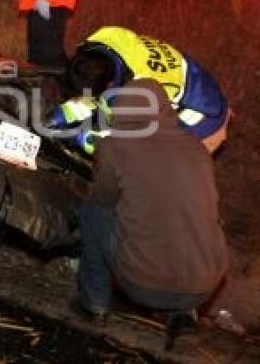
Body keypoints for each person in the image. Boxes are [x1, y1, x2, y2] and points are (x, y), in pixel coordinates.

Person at [76, 78, 229, 349]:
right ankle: (183, 317)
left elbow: (103, 199)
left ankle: (94, 305)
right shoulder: (196, 147)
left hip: (145, 284)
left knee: (94, 212)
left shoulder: (113, 147)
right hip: (205, 284)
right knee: (187, 214)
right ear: (165, 109)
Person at [49, 25, 231, 154]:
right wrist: (63, 114)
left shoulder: (141, 91)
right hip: (189, 77)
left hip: (204, 118)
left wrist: (93, 140)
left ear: (110, 85)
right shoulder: (103, 37)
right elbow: (93, 92)